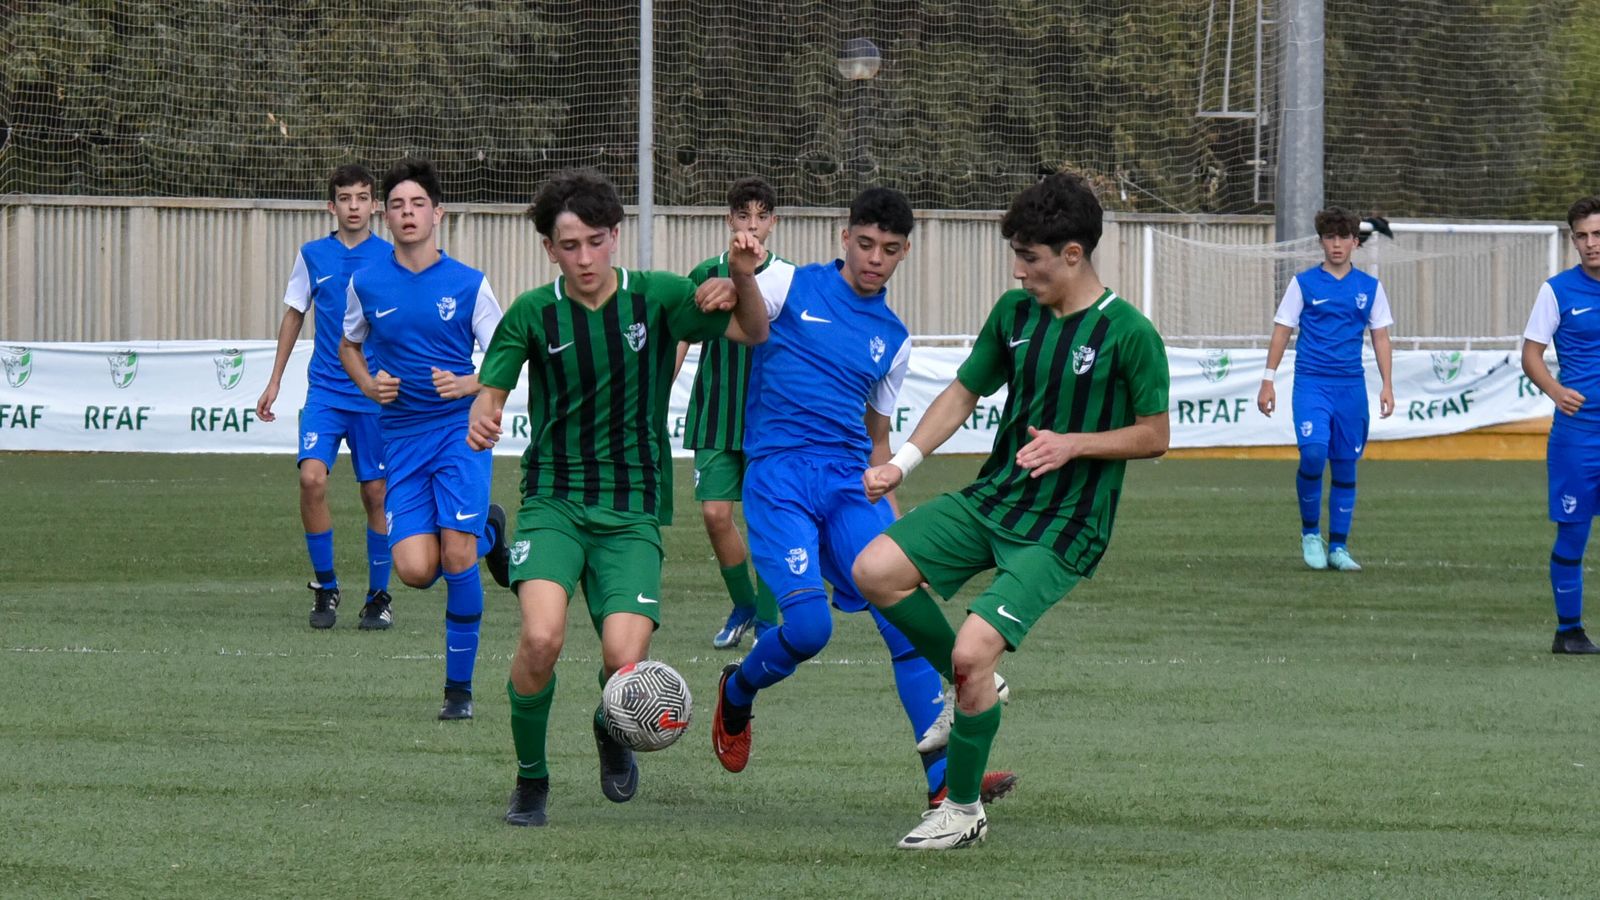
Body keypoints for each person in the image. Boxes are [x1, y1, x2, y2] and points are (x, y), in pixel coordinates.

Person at [852, 172, 1170, 850]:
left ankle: (963, 810)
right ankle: (980, 686)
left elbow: (1156, 434)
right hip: (996, 496)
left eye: (1031, 259)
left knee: (968, 650)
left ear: (1074, 255)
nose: (1019, 272)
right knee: (876, 570)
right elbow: (964, 393)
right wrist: (900, 463)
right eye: (1017, 257)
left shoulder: (1128, 333)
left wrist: (1075, 444)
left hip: (1064, 527)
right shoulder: (1014, 316)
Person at [467, 168, 771, 828]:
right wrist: (483, 414)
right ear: (549, 247)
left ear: (615, 238)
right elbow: (492, 388)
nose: (584, 258)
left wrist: (742, 278)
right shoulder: (532, 312)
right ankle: (531, 780)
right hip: (554, 500)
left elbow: (753, 332)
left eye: (595, 242)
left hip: (632, 508)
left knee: (623, 664)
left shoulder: (659, 297)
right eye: (568, 245)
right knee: (542, 638)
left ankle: (611, 726)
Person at [708, 186, 1016, 812]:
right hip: (780, 479)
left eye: (891, 249)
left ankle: (941, 781)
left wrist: (890, 510)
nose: (875, 257)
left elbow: (878, 435)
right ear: (843, 238)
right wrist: (736, 278)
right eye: (866, 243)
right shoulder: (788, 282)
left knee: (904, 618)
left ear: (905, 254)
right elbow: (750, 326)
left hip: (850, 483)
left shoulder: (893, 337)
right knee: (810, 629)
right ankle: (737, 694)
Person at [339, 157, 510, 720]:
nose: (407, 213)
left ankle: (457, 692)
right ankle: (490, 530)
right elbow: (348, 346)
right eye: (397, 205)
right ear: (385, 217)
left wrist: (470, 382)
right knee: (415, 570)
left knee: (456, 558)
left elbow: (510, 354)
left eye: (418, 204)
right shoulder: (365, 282)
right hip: (402, 438)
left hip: (458, 433)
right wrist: (370, 386)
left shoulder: (468, 283)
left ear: (438, 214)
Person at [256, 164, 395, 630]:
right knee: (312, 480)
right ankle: (326, 586)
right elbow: (295, 315)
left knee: (376, 494)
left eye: (362, 198)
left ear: (375, 205)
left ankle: (378, 596)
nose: (354, 206)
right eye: (345, 198)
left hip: (374, 395)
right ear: (330, 205)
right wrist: (275, 380)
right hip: (327, 393)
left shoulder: (394, 257)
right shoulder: (313, 255)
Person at [1257, 206, 1395, 572]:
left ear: (1355, 242)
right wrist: (1268, 380)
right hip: (1312, 383)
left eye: (1343, 238)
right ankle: (1309, 534)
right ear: (1321, 242)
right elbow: (1282, 330)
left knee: (1346, 466)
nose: (1336, 245)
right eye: (1329, 238)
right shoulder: (1303, 284)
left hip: (1350, 387)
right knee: (1314, 455)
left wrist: (1387, 385)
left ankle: (1339, 547)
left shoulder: (1370, 288)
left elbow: (1380, 337)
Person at [680, 176, 784, 648]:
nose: (753, 225)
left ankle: (767, 619)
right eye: (744, 215)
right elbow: (680, 332)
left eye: (762, 216)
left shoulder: (787, 277)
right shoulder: (705, 273)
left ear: (773, 224)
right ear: (730, 221)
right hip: (716, 415)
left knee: (766, 518)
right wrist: (657, 388)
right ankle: (743, 603)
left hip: (769, 420)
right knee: (716, 515)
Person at [1522, 195, 1600, 655]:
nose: (1591, 244)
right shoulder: (1557, 291)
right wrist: (1554, 390)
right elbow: (1531, 354)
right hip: (1578, 436)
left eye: (1598, 235)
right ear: (1573, 241)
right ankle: (1568, 631)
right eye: (1583, 237)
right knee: (1572, 532)